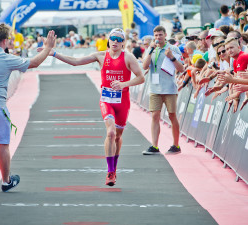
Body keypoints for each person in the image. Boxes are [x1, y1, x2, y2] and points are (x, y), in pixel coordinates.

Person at [47, 28, 144, 186]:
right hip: (106, 100)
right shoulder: (100, 56)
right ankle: (110, 172)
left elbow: (141, 78)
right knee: (111, 132)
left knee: (118, 137)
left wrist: (124, 84)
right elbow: (76, 62)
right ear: (108, 39)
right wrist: (54, 53)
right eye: (113, 38)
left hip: (123, 102)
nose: (115, 41)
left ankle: (114, 168)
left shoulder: (128, 57)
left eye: (119, 39)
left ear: (123, 42)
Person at [0, 23, 56, 194]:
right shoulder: (7, 58)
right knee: (2, 145)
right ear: (6, 41)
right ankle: (6, 181)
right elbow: (34, 63)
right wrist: (48, 48)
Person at [142, 25, 184, 155]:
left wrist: (171, 57)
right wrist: (150, 51)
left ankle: (176, 145)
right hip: (155, 88)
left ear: (165, 35)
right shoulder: (151, 49)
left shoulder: (173, 48)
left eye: (160, 35)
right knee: (155, 115)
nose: (158, 37)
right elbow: (144, 66)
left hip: (169, 88)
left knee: (172, 116)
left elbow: (181, 69)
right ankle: (155, 146)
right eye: (156, 35)